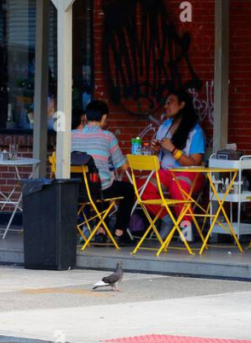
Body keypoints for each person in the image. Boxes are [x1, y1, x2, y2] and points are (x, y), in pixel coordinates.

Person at [139, 88, 206, 242]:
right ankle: (167, 220)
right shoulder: (164, 127)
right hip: (166, 173)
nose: (166, 106)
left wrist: (173, 150)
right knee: (142, 187)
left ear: (182, 105)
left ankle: (186, 229)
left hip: (189, 174)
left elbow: (195, 163)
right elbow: (157, 159)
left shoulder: (195, 131)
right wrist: (155, 151)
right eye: (166, 102)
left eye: (170, 102)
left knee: (178, 187)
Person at [71, 100, 137, 244]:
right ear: (104, 118)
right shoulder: (108, 136)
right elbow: (123, 166)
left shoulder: (71, 135)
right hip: (98, 188)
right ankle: (120, 232)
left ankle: (101, 230)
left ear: (86, 118)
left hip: (75, 188)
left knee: (99, 184)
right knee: (126, 189)